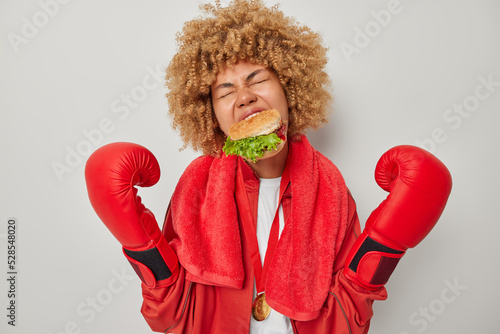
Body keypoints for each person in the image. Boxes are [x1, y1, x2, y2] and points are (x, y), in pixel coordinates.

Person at [85, 1, 452, 333]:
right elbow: (167, 316)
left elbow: (347, 322)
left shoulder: (329, 185)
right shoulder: (197, 185)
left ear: (290, 89)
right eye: (225, 92)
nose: (244, 97)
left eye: (257, 79)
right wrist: (138, 241)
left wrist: (386, 246)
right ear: (211, 116)